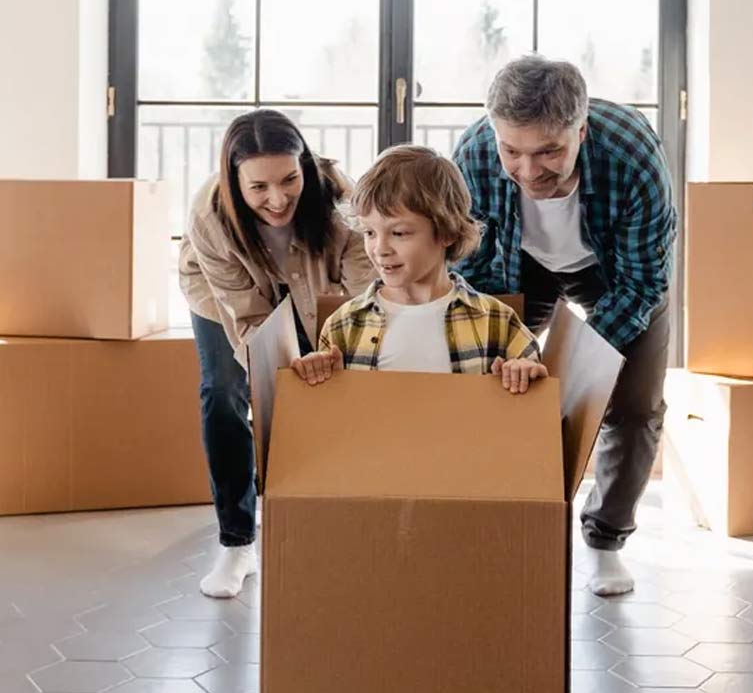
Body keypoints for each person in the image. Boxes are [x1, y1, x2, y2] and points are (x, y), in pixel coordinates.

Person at [453, 55, 676, 597]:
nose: (529, 172)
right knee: (492, 383)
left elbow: (643, 284)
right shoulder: (475, 151)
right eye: (513, 152)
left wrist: (574, 368)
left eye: (549, 151)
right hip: (518, 263)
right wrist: (508, 349)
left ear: (582, 129)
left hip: (615, 270)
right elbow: (472, 269)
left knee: (633, 403)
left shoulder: (632, 154)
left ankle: (605, 540)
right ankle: (503, 524)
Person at [179, 109, 375, 598]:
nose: (278, 198)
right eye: (259, 187)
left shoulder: (344, 203)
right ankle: (237, 541)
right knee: (224, 391)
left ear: (305, 165)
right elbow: (248, 318)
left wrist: (328, 356)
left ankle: (330, 517)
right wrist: (281, 370)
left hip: (319, 290)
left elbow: (361, 298)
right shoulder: (209, 215)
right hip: (225, 296)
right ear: (234, 180)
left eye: (290, 179)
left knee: (330, 386)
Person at [292, 145, 547, 392]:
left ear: (446, 232)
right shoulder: (343, 325)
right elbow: (331, 418)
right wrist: (317, 375)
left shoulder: (497, 321)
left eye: (399, 233)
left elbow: (534, 386)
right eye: (369, 232)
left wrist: (525, 371)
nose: (380, 248)